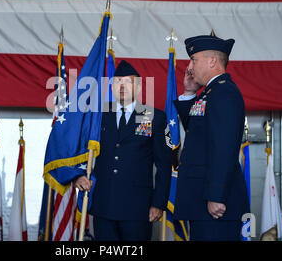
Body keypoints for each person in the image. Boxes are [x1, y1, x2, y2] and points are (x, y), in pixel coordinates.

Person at [75, 60, 173, 241]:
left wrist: (158, 203)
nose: (122, 86)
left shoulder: (154, 117)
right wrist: (78, 175)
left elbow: (164, 164)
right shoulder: (98, 115)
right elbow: (80, 148)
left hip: (138, 207)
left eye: (128, 82)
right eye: (118, 81)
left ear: (137, 87)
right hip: (104, 204)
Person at [173, 33, 250, 241]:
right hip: (202, 199)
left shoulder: (224, 93)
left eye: (194, 60)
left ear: (212, 61)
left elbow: (224, 148)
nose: (189, 66)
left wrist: (216, 195)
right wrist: (189, 93)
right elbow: (197, 133)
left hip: (216, 204)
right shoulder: (210, 92)